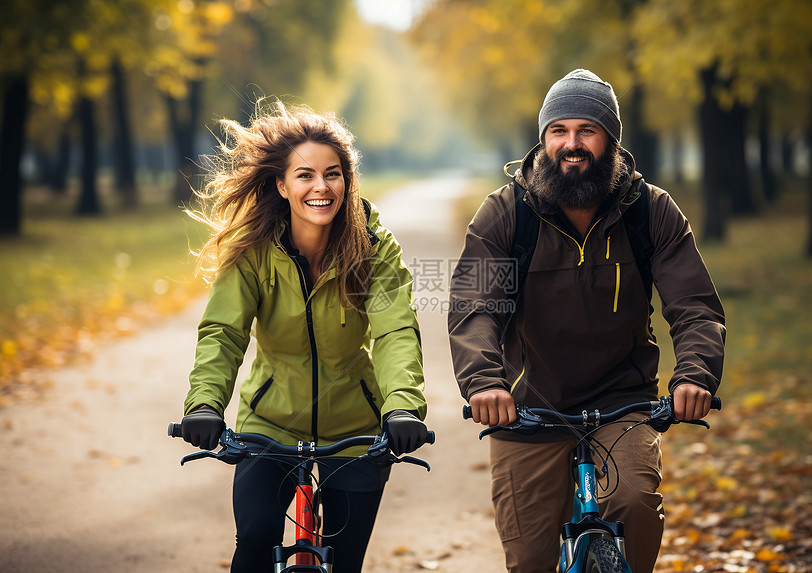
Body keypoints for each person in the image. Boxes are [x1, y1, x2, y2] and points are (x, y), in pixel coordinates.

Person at [448, 69, 726, 573]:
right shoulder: (506, 214)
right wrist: (485, 384)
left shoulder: (650, 210)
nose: (571, 144)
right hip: (527, 409)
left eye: (586, 131)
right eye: (559, 131)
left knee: (634, 505)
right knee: (530, 557)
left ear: (611, 140)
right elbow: (475, 306)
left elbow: (695, 307)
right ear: (544, 140)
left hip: (622, 401)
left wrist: (695, 376)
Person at [178, 101, 429, 573]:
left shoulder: (374, 247)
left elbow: (396, 329)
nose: (321, 187)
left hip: (356, 431)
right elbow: (224, 332)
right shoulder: (253, 250)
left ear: (348, 181)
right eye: (305, 175)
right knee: (254, 540)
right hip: (269, 425)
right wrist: (205, 404)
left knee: (346, 562)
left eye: (333, 174)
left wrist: (402, 407)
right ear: (282, 183)